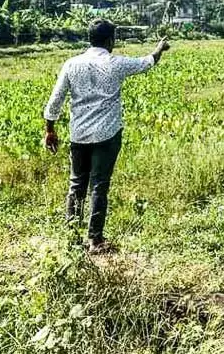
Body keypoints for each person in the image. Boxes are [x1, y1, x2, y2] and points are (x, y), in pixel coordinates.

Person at [43, 19, 169, 253]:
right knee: (99, 185)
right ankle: (95, 240)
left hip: (78, 134)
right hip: (106, 135)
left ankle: (71, 237)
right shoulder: (116, 63)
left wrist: (50, 129)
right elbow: (147, 62)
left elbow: (55, 100)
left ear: (90, 39)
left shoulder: (72, 64)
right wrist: (159, 48)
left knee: (76, 184)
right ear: (110, 40)